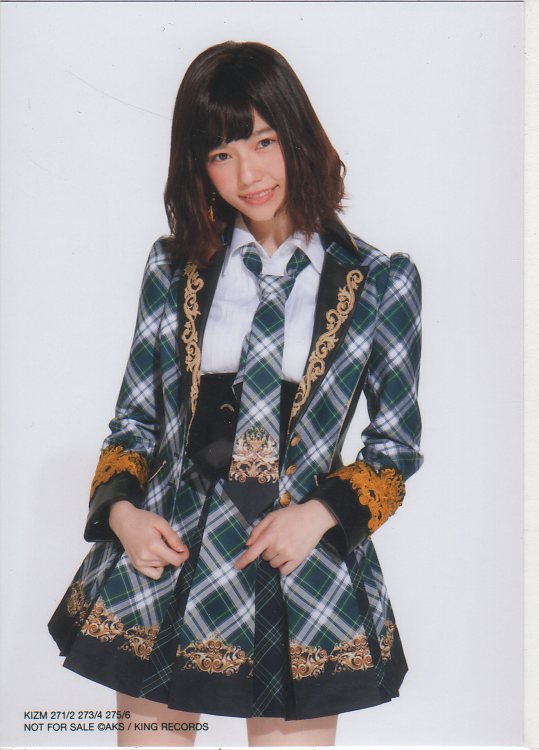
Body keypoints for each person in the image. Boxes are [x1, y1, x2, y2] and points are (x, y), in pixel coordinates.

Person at [48, 41, 423, 747]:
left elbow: (395, 447)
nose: (248, 174)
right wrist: (122, 514)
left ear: (298, 135)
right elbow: (134, 421)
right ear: (198, 165)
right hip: (165, 561)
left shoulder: (380, 281)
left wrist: (317, 515)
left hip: (300, 566)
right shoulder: (174, 267)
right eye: (221, 153)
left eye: (263, 141)